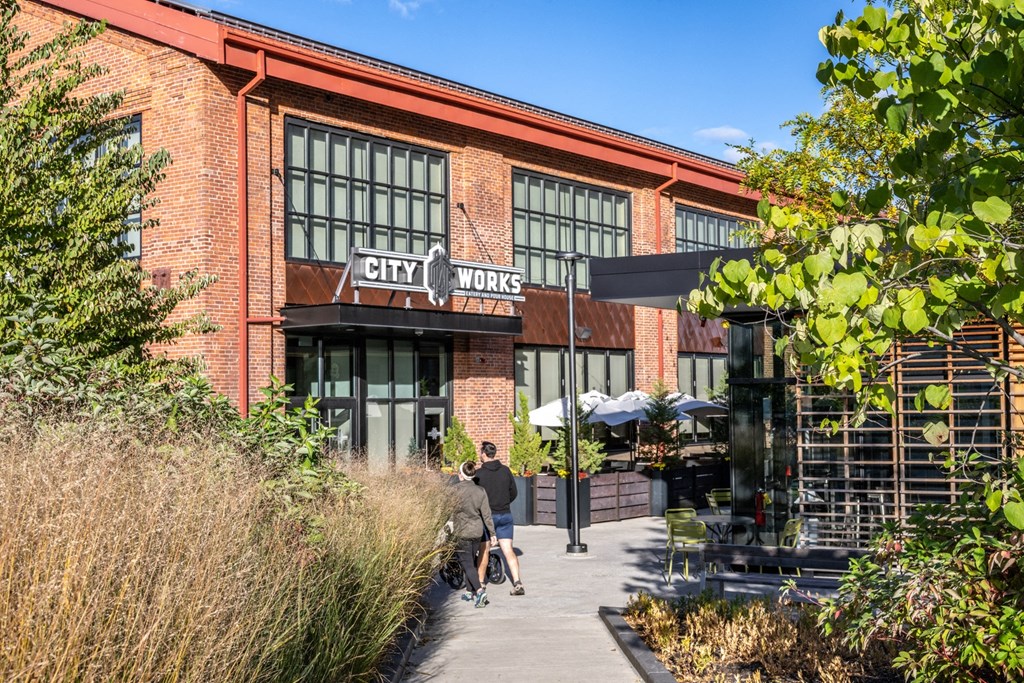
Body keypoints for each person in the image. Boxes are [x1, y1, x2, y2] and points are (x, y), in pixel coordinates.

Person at [475, 441, 525, 596]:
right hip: (505, 514)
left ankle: (481, 584)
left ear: (484, 454)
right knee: (508, 549)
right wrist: (503, 502)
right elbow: (513, 492)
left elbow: (475, 496)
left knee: (484, 550)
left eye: (480, 452)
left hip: (487, 517)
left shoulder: (479, 474)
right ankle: (517, 582)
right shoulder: (505, 470)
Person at [452, 460, 497, 608]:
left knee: (467, 563)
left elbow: (447, 511)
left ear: (461, 475)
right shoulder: (480, 491)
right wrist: (492, 533)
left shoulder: (454, 490)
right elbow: (487, 515)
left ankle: (479, 591)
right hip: (477, 531)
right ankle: (469, 591)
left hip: (462, 531)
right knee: (470, 561)